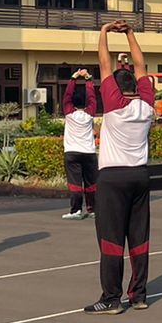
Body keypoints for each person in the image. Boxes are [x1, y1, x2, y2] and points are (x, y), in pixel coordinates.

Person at [86, 21, 156, 313]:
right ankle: (138, 296)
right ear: (137, 86)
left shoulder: (113, 103)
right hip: (139, 176)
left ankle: (111, 298)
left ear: (115, 87)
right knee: (139, 239)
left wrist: (104, 32)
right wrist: (129, 33)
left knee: (112, 240)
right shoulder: (147, 104)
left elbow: (104, 63)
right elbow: (141, 65)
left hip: (113, 178)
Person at [60, 69, 98, 220]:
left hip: (72, 152)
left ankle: (76, 210)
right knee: (91, 183)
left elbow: (67, 96)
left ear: (73, 103)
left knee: (75, 183)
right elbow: (92, 97)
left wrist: (73, 77)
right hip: (89, 152)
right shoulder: (90, 113)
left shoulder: (69, 113)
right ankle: (92, 210)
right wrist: (88, 79)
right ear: (85, 103)